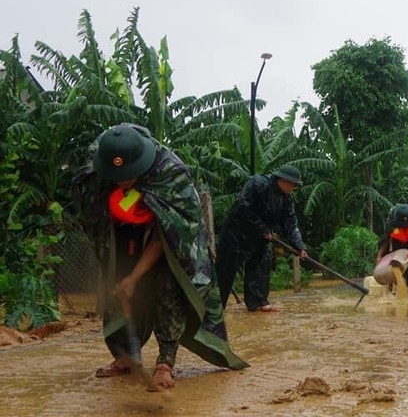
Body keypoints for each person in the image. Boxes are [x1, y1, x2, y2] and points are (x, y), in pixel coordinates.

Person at [72, 123, 248, 390]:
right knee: (117, 291)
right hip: (123, 237)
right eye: (116, 176)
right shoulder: (96, 171)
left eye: (128, 175)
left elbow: (167, 236)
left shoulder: (170, 174)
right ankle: (125, 356)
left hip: (168, 245)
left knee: (169, 291)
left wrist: (136, 277)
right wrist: (126, 277)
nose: (121, 181)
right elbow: (91, 211)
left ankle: (165, 362)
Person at [215, 164, 308, 312]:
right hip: (237, 233)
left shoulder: (285, 199)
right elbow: (243, 207)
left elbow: (290, 222)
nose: (293, 188)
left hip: (259, 238)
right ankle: (215, 307)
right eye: (293, 185)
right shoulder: (258, 184)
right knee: (226, 270)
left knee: (260, 265)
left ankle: (257, 302)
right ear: (283, 180)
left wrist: (299, 246)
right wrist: (262, 228)